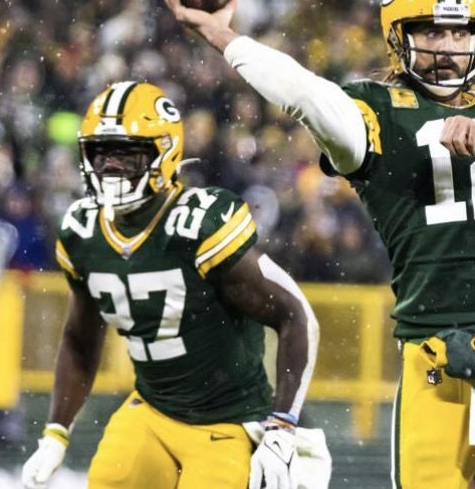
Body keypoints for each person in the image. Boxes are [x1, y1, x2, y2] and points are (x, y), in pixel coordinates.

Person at [161, 0, 475, 487]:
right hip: (433, 344)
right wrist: (223, 36)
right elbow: (304, 94)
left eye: (460, 31)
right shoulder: (374, 109)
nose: (449, 47)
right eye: (431, 32)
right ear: (398, 37)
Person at [19, 82, 323, 489]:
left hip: (227, 420)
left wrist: (282, 426)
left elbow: (295, 316)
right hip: (152, 409)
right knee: (111, 477)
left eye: (127, 154)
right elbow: (80, 338)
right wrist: (56, 432)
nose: (111, 167)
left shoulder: (198, 224)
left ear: (164, 153)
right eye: (101, 153)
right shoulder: (82, 230)